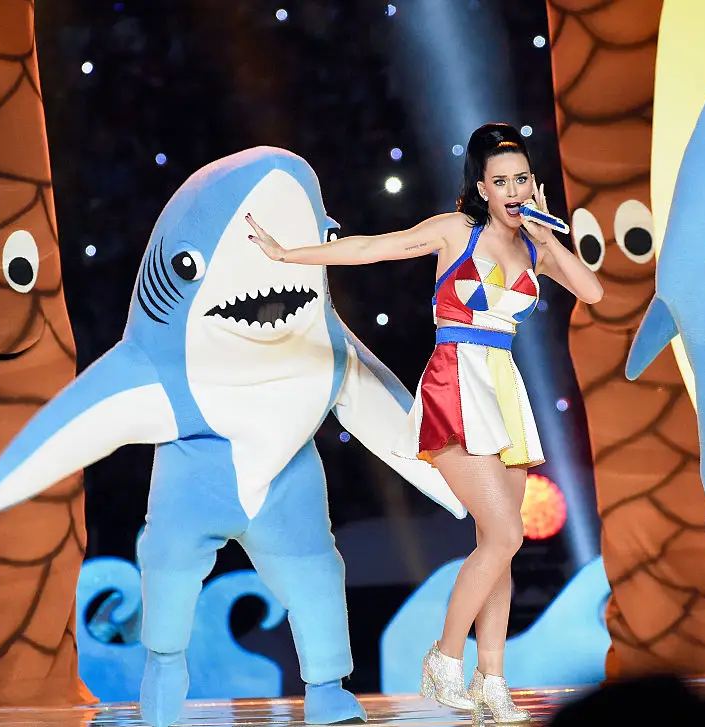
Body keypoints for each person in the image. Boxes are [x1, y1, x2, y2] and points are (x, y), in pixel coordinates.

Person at [246, 123, 603, 723]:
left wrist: (545, 230)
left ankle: (493, 680)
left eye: (521, 179)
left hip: (504, 389)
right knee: (505, 537)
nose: (512, 189)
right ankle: (443, 659)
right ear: (482, 189)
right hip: (455, 380)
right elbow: (371, 247)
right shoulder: (454, 231)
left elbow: (591, 290)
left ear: (533, 185)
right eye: (500, 181)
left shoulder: (536, 248)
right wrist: (288, 254)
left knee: (501, 546)